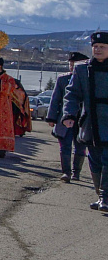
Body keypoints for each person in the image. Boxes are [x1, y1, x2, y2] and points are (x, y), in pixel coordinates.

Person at [61, 32, 108, 211]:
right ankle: (100, 195)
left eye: (102, 47)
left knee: (107, 159)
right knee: (95, 160)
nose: (98, 49)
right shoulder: (82, 69)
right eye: (95, 47)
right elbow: (72, 94)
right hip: (91, 123)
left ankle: (105, 197)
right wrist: (69, 115)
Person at [47, 51, 89, 182]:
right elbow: (55, 99)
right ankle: (66, 172)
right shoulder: (62, 79)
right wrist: (52, 118)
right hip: (64, 119)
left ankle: (76, 172)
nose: (72, 67)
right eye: (70, 64)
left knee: (80, 147)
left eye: (74, 64)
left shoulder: (87, 79)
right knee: (64, 146)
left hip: (81, 119)